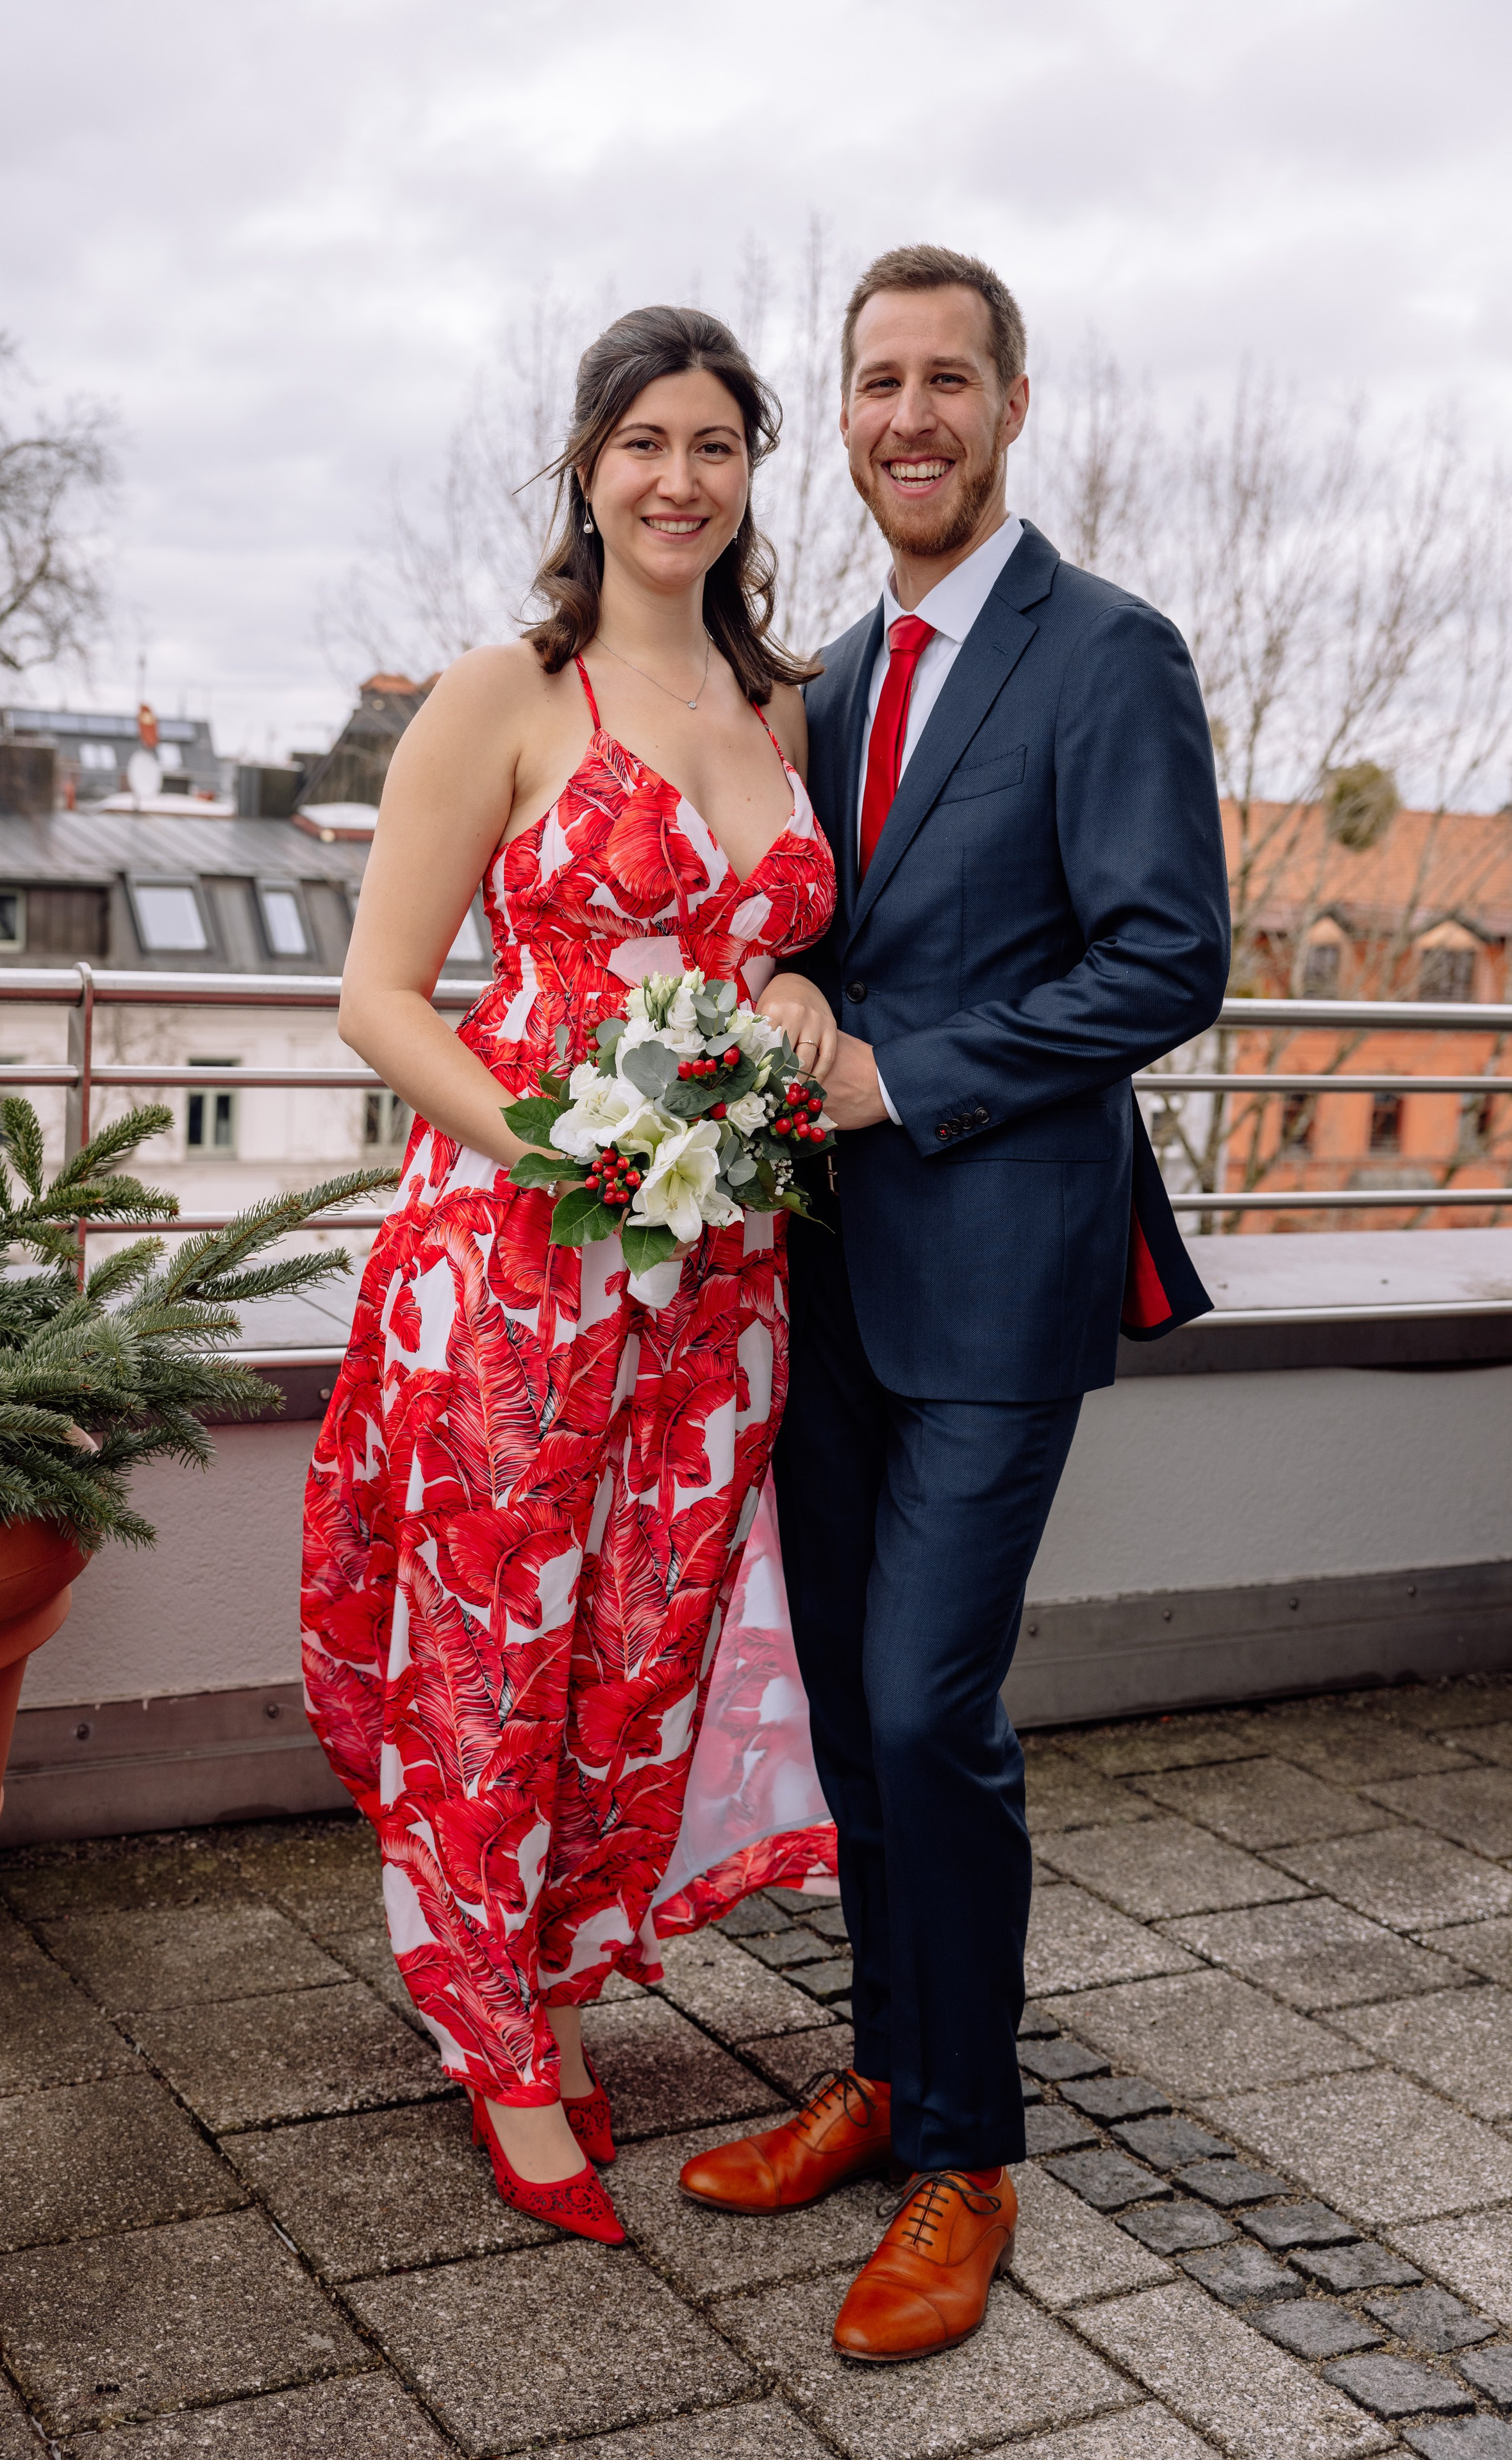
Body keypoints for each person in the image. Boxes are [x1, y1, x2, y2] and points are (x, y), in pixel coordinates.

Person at [678, 245, 1231, 2363]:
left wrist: (902, 1075)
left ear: (1012, 404)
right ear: (846, 418)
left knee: (928, 1708)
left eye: (946, 380)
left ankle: (971, 2160)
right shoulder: (826, 674)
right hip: (823, 1275)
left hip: (1001, 1271)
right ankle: (887, 2077)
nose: (908, 417)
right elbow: (822, 933)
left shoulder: (1110, 652)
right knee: (848, 1710)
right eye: (876, 383)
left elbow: (1165, 959)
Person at [300, 306, 838, 2248]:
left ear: (750, 474)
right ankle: (495, 2043)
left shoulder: (781, 710)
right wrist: (557, 1146)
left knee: (637, 1648)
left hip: (723, 1277)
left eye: (716, 445)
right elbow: (378, 997)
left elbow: (784, 947)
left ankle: (557, 1976)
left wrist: (796, 988)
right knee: (496, 1652)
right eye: (645, 443)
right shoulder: (505, 695)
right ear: (589, 469)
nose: (680, 480)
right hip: (521, 1263)